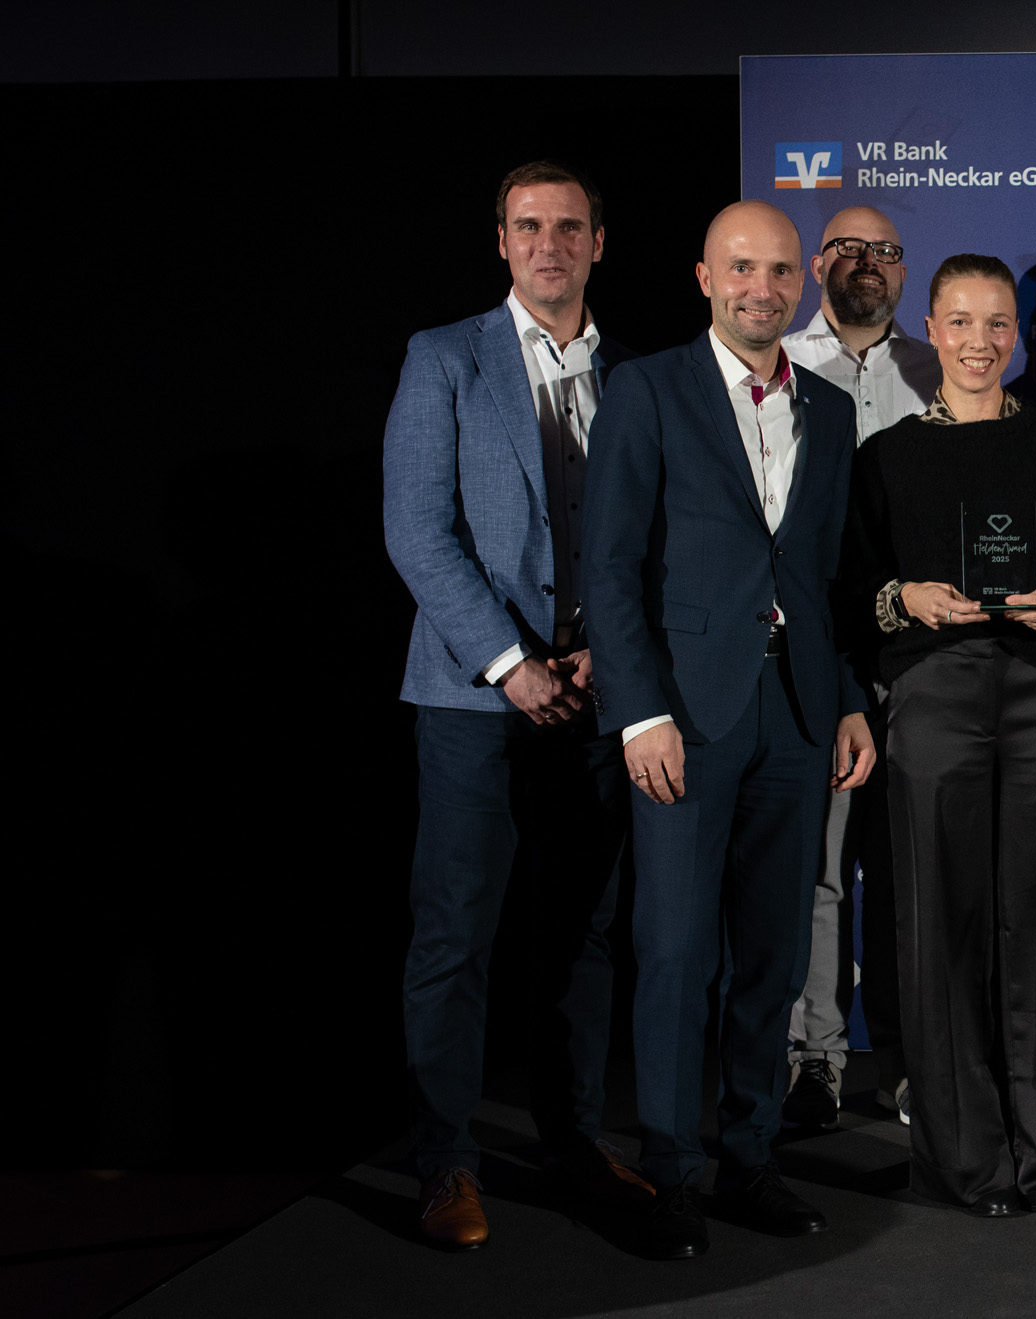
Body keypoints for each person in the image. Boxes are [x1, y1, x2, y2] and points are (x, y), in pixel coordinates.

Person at [581, 200, 878, 1259]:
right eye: (742, 268)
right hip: (683, 716)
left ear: (804, 280)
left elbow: (829, 572)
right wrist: (639, 711)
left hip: (796, 714)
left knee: (772, 952)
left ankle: (750, 1158)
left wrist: (847, 694)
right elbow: (610, 563)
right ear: (705, 277)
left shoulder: (830, 410)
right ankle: (671, 1171)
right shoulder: (647, 388)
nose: (763, 287)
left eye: (781, 269)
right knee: (674, 952)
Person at [382, 160, 649, 1250]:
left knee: (582, 930)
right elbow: (416, 530)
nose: (549, 244)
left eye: (569, 227)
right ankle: (446, 1158)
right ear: (501, 240)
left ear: (599, 243)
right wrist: (510, 662)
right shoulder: (444, 357)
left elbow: (649, 538)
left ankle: (573, 1141)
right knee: (456, 932)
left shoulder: (636, 374)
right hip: (471, 698)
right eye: (528, 226)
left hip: (594, 699)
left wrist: (607, 663)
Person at [839, 253, 1036, 1217]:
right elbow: (853, 585)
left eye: (997, 322)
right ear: (930, 329)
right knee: (940, 924)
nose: (979, 341)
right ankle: (964, 1161)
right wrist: (903, 597)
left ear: (1018, 333)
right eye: (960, 322)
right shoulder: (887, 455)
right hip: (934, 690)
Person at [780, 205, 939, 1132]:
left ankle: (913, 1060)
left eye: (884, 249)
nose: (867, 262)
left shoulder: (939, 369)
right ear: (817, 266)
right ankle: (817, 1058)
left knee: (910, 873)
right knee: (823, 870)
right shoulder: (781, 365)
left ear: (903, 271)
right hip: (822, 652)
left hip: (920, 659)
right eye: (848, 247)